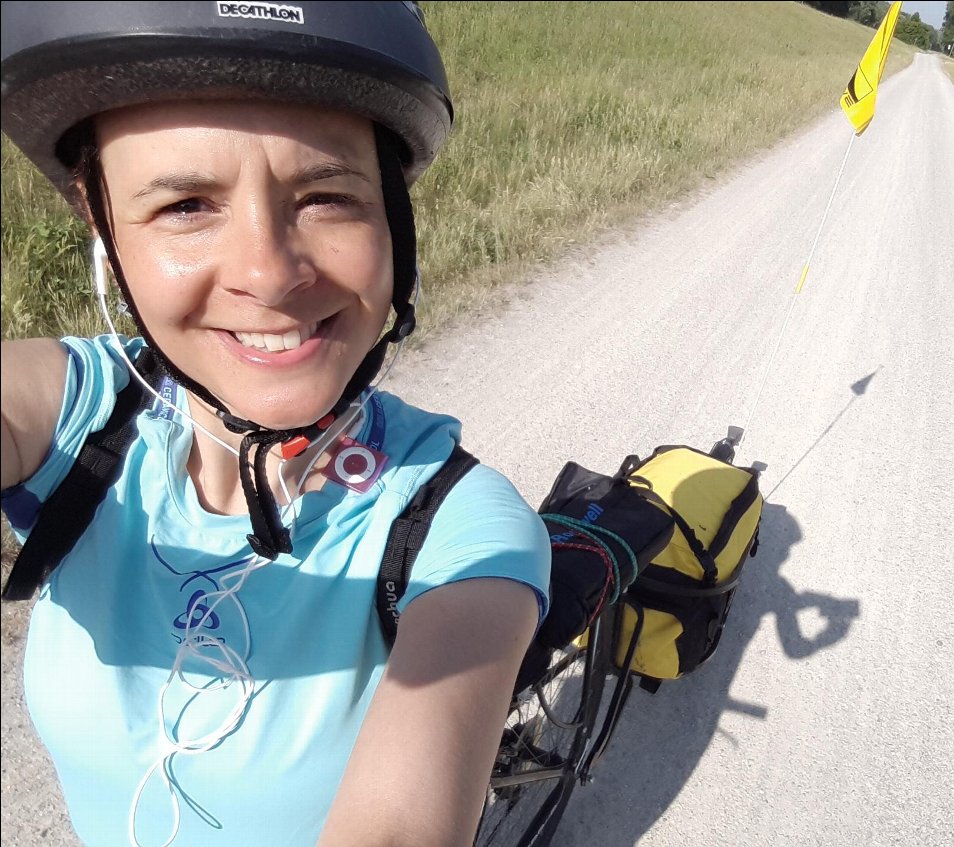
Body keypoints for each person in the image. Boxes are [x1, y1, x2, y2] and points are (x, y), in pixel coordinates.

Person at [0, 3, 551, 845]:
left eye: (328, 196)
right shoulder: (82, 416)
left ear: (392, 224)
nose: (269, 274)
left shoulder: (466, 531)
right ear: (99, 221)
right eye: (186, 204)